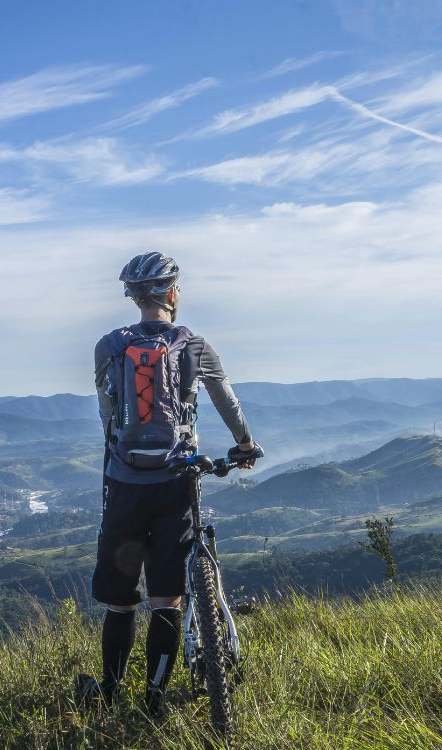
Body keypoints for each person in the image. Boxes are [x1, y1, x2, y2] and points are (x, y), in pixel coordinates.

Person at [75, 251, 258, 717]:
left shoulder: (108, 346)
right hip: (177, 482)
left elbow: (106, 412)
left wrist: (121, 455)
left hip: (124, 484)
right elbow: (227, 402)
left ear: (134, 297)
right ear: (173, 293)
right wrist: (244, 445)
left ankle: (109, 698)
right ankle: (154, 700)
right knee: (166, 599)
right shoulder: (194, 344)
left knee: (119, 604)